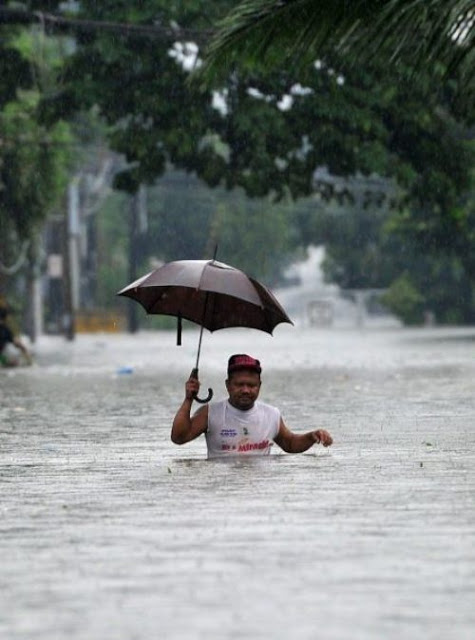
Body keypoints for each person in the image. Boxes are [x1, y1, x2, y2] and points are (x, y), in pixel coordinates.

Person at [171, 353, 333, 458]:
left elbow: (290, 444)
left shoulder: (271, 414)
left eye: (251, 385)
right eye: (239, 384)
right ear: (228, 385)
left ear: (259, 385)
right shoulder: (210, 413)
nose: (246, 390)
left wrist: (312, 436)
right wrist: (188, 399)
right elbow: (179, 437)